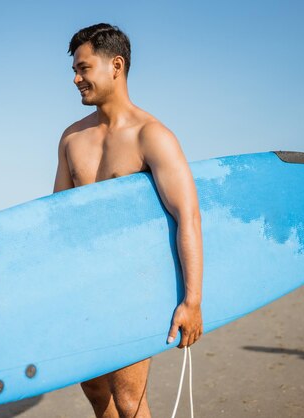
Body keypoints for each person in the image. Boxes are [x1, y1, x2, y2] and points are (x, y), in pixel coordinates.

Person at [52, 24, 204, 418]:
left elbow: (187, 216)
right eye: (75, 69)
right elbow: (59, 222)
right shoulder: (71, 139)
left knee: (128, 401)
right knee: (97, 393)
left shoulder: (151, 136)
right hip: (85, 288)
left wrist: (192, 300)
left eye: (84, 68)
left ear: (115, 65)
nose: (76, 78)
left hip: (133, 286)